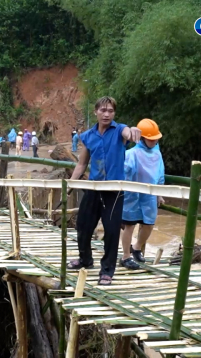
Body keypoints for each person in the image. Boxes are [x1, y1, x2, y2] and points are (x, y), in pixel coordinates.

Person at [69, 96, 142, 285]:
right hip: (93, 188)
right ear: (96, 112)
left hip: (114, 190)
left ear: (114, 113)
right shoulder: (88, 136)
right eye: (103, 110)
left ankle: (107, 270)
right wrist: (70, 184)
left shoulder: (119, 130)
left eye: (110, 110)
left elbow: (128, 132)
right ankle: (85, 260)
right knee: (83, 226)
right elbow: (82, 163)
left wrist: (133, 131)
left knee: (111, 231)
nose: (106, 114)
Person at [120, 119, 165, 269]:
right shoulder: (131, 153)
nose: (153, 142)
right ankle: (126, 256)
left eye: (155, 139)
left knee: (149, 224)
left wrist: (159, 193)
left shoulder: (157, 154)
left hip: (150, 194)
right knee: (129, 225)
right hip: (132, 194)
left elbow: (160, 174)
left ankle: (137, 247)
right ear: (142, 138)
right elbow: (124, 173)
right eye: (150, 139)